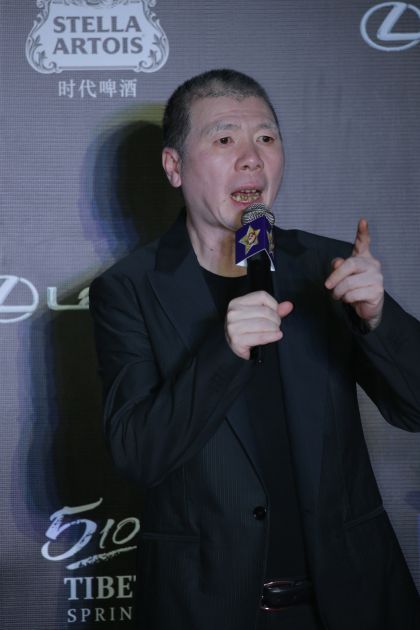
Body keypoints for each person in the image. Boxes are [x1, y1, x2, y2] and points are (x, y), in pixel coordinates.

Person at [89, 69, 420, 630]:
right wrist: (224, 351)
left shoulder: (325, 267)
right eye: (225, 139)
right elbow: (138, 454)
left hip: (353, 601)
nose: (251, 158)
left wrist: (378, 318)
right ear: (174, 166)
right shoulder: (129, 290)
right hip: (207, 609)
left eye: (266, 138)